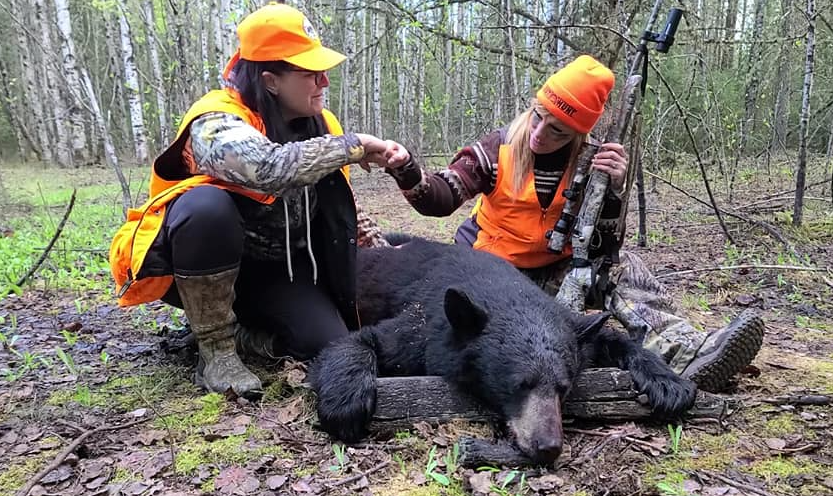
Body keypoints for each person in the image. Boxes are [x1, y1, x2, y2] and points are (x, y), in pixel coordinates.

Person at [383, 55, 764, 392]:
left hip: (554, 270)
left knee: (625, 268)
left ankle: (687, 350)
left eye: (557, 131)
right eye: (538, 116)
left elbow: (605, 247)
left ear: (579, 134)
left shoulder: (594, 161)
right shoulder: (497, 148)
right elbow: (440, 198)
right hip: (491, 271)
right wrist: (407, 170)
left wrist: (614, 190)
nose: (538, 134)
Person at [109, 3, 410, 399]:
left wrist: (387, 257)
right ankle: (215, 350)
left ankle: (245, 336)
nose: (324, 81)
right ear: (270, 81)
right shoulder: (214, 121)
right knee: (206, 207)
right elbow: (268, 168)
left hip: (280, 270)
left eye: (323, 71)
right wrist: (352, 146)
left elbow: (340, 205)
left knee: (328, 344)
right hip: (199, 262)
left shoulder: (323, 124)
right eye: (310, 73)